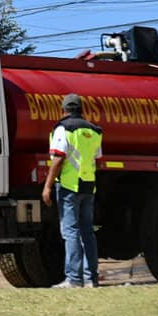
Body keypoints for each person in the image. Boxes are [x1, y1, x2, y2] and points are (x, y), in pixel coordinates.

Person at [41, 93, 103, 288]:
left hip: (69, 186)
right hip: (88, 185)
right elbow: (97, 159)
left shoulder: (63, 128)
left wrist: (47, 186)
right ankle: (91, 278)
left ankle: (74, 279)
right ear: (81, 109)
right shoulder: (94, 130)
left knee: (70, 232)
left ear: (64, 109)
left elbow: (58, 158)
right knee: (87, 232)